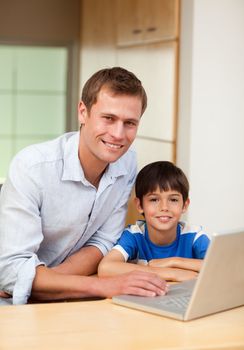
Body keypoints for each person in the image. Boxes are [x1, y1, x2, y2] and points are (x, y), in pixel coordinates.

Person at [0, 67, 168, 305]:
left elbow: (103, 241)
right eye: (108, 118)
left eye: (130, 123)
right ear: (83, 112)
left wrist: (38, 284)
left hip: (65, 295)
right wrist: (104, 286)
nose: (118, 134)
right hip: (11, 306)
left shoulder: (127, 163)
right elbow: (12, 271)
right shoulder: (31, 167)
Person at [98, 161, 211, 281]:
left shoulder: (194, 236)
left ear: (184, 205)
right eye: (154, 200)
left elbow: (222, 266)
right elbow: (106, 268)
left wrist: (174, 262)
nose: (164, 207)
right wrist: (171, 273)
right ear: (140, 205)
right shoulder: (135, 236)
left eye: (173, 199)